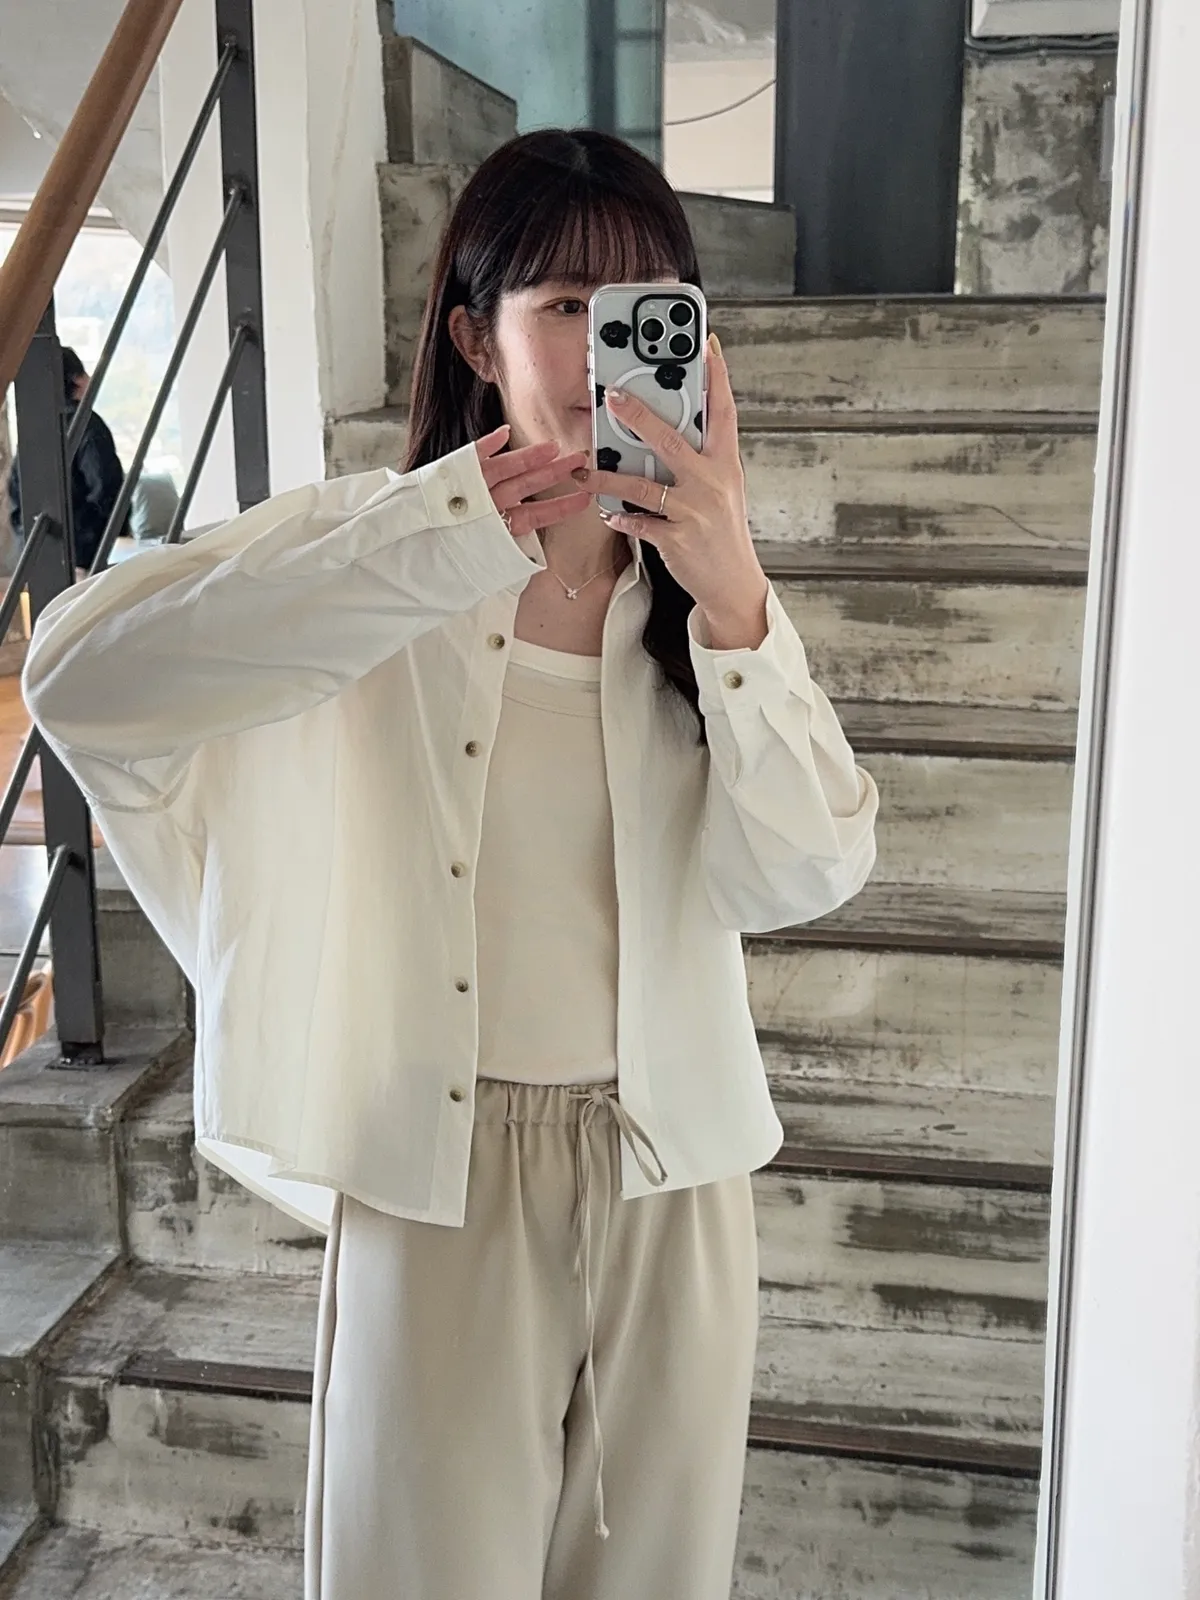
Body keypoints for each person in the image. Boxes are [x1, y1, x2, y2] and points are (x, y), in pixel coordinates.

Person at [21, 130, 878, 1599]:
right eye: (566, 306)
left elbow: (806, 874)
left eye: (648, 309)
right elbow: (76, 677)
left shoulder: (705, 604)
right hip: (441, 1182)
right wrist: (440, 531)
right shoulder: (379, 552)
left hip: (674, 1184)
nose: (606, 348)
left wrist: (736, 595)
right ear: (477, 341)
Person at [8, 347, 126, 574]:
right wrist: (93, 539)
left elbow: (16, 494)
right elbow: (107, 487)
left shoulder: (32, 430)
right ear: (77, 380)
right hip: (83, 554)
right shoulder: (87, 425)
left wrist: (27, 538)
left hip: (35, 550)